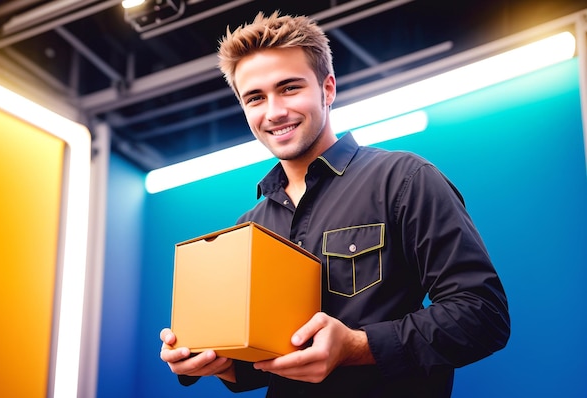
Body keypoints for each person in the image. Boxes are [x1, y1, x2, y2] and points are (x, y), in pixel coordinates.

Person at [159, 11, 510, 398]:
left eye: (289, 88)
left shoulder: (404, 178)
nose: (273, 112)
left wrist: (357, 347)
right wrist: (220, 363)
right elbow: (265, 361)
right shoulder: (249, 226)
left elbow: (482, 315)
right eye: (255, 98)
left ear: (327, 89)